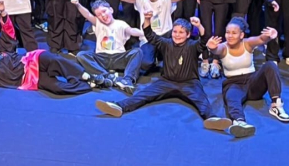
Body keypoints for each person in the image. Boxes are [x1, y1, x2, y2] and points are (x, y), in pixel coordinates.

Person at [95, 11, 235, 131]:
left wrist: (198, 25)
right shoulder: (166, 43)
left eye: (181, 32)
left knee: (202, 101)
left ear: (187, 35)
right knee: (143, 95)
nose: (177, 35)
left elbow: (203, 40)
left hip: (189, 83)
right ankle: (119, 106)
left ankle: (212, 119)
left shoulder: (192, 45)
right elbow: (150, 35)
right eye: (175, 31)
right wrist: (148, 19)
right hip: (166, 81)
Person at [209, 17, 289, 138]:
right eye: (227, 32)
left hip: (252, 82)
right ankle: (239, 122)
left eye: (234, 33)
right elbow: (216, 49)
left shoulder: (247, 43)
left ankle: (276, 105)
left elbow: (261, 39)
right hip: (233, 83)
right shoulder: (223, 47)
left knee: (270, 65)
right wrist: (212, 47)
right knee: (231, 98)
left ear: (241, 35)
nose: (230, 36)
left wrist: (271, 35)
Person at [73, 0, 144, 93]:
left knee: (137, 52)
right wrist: (78, 5)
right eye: (99, 14)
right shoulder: (98, 23)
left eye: (104, 11)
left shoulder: (120, 24)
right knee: (81, 55)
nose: (103, 15)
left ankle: (127, 79)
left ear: (111, 10)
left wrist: (143, 33)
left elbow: (131, 31)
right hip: (102, 58)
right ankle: (106, 76)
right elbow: (87, 15)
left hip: (119, 57)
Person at [119, 0, 184, 72]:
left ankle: (162, 56)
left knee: (174, 65)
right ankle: (156, 57)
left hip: (165, 36)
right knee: (146, 64)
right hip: (148, 38)